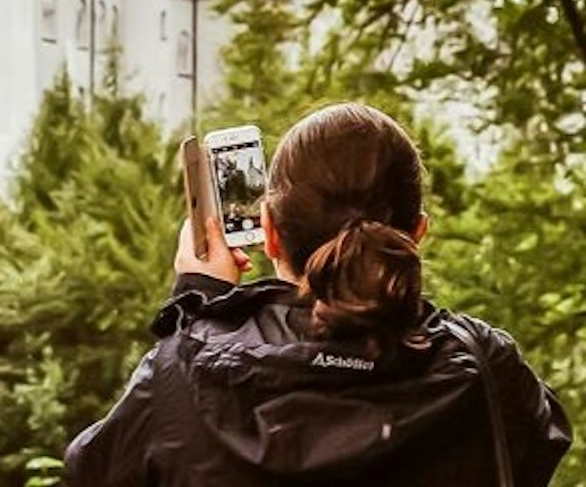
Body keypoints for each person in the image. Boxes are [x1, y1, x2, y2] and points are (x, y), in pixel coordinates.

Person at [65, 103, 571, 487]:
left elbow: (96, 469)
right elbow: (537, 446)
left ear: (270, 232)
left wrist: (197, 302)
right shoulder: (485, 369)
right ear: (415, 233)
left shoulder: (184, 371)